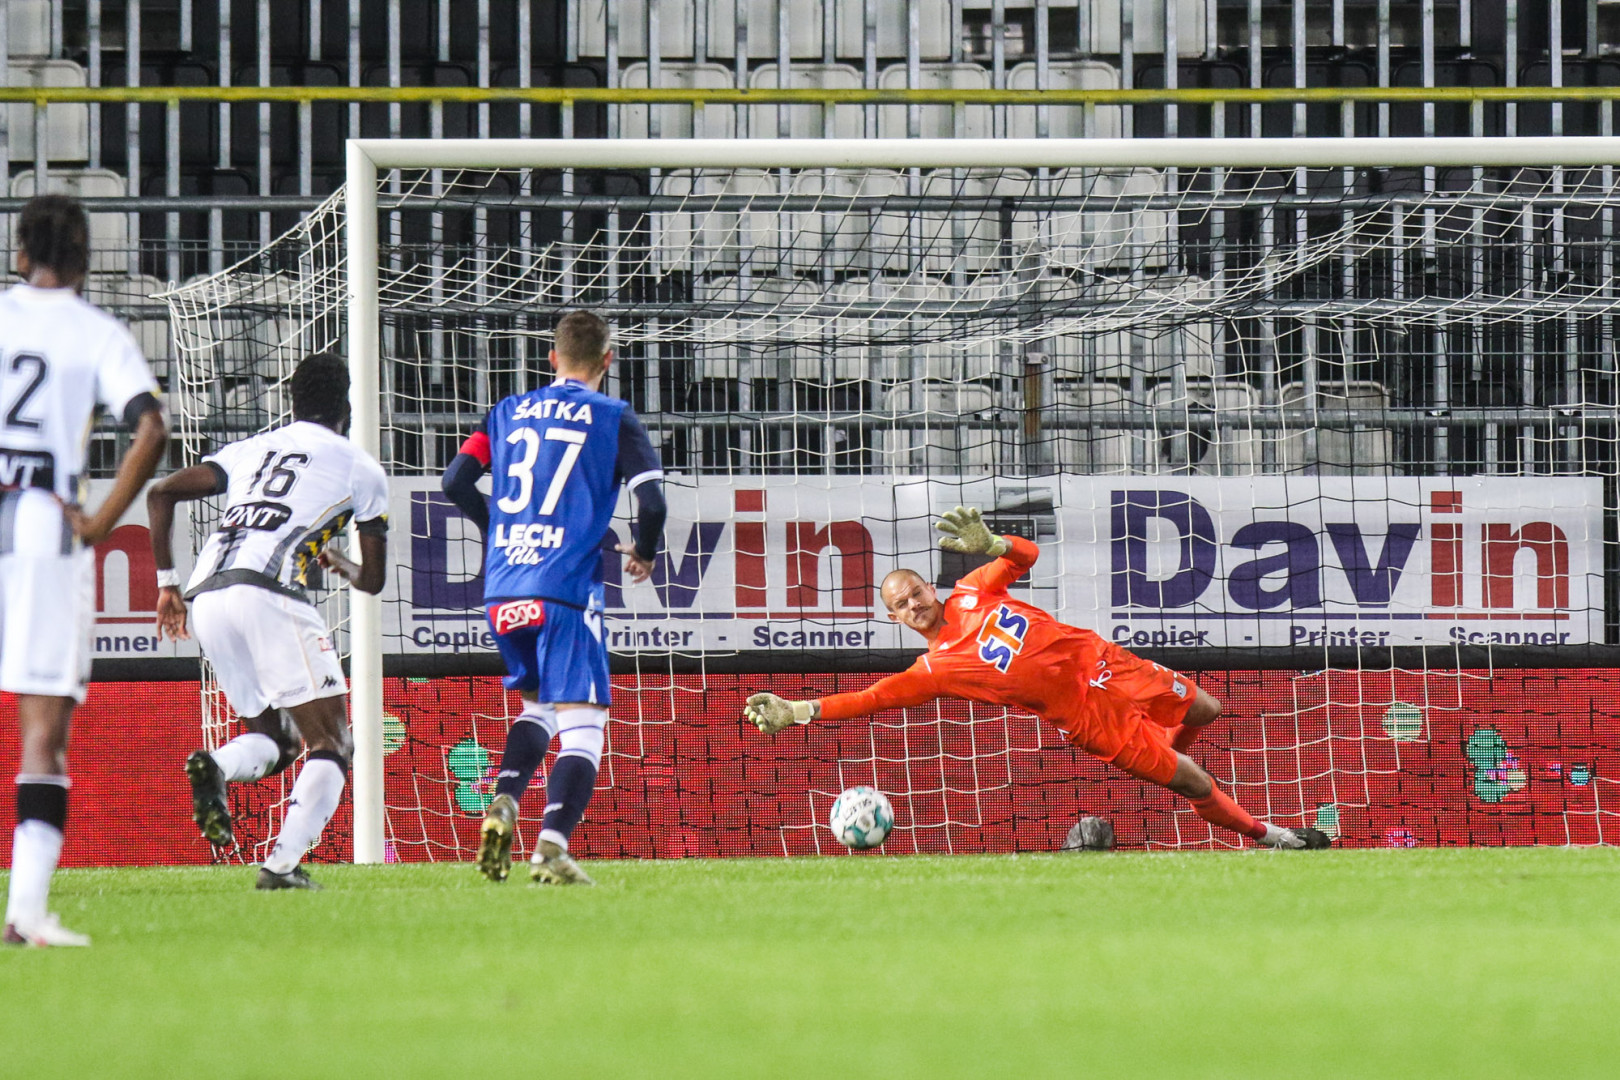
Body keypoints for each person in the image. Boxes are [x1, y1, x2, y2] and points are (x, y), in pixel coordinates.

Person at [745, 506, 1331, 852]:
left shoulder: (973, 589)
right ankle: (1274, 838)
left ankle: (1167, 746)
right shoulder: (934, 670)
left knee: (1207, 709)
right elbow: (872, 698)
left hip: (1103, 663)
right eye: (901, 605)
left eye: (916, 592)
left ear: (929, 587)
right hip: (1087, 719)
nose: (914, 605)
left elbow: (1025, 556)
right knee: (1196, 784)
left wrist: (994, 544)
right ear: (894, 618)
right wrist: (798, 711)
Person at [146, 352, 389, 891]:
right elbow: (372, 579)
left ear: (292, 403)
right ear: (347, 407)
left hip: (207, 595)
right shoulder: (360, 467)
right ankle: (280, 868)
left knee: (276, 740)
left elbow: (160, 493)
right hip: (270, 592)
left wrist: (167, 583)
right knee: (333, 743)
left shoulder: (250, 448)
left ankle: (216, 764)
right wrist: (343, 563)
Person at [440, 310, 665, 886]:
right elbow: (653, 503)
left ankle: (504, 800)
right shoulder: (613, 415)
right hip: (564, 588)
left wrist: (497, 529)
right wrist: (643, 551)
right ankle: (551, 848)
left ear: (552, 358)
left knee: (537, 707)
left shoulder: (506, 411)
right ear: (607, 360)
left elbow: (455, 480)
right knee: (584, 724)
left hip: (503, 587)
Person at [1, 195, 168, 947]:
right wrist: (100, 523)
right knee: (43, 732)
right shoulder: (98, 332)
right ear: (85, 261)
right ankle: (27, 913)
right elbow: (151, 427)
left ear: (19, 254)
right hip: (44, 527)